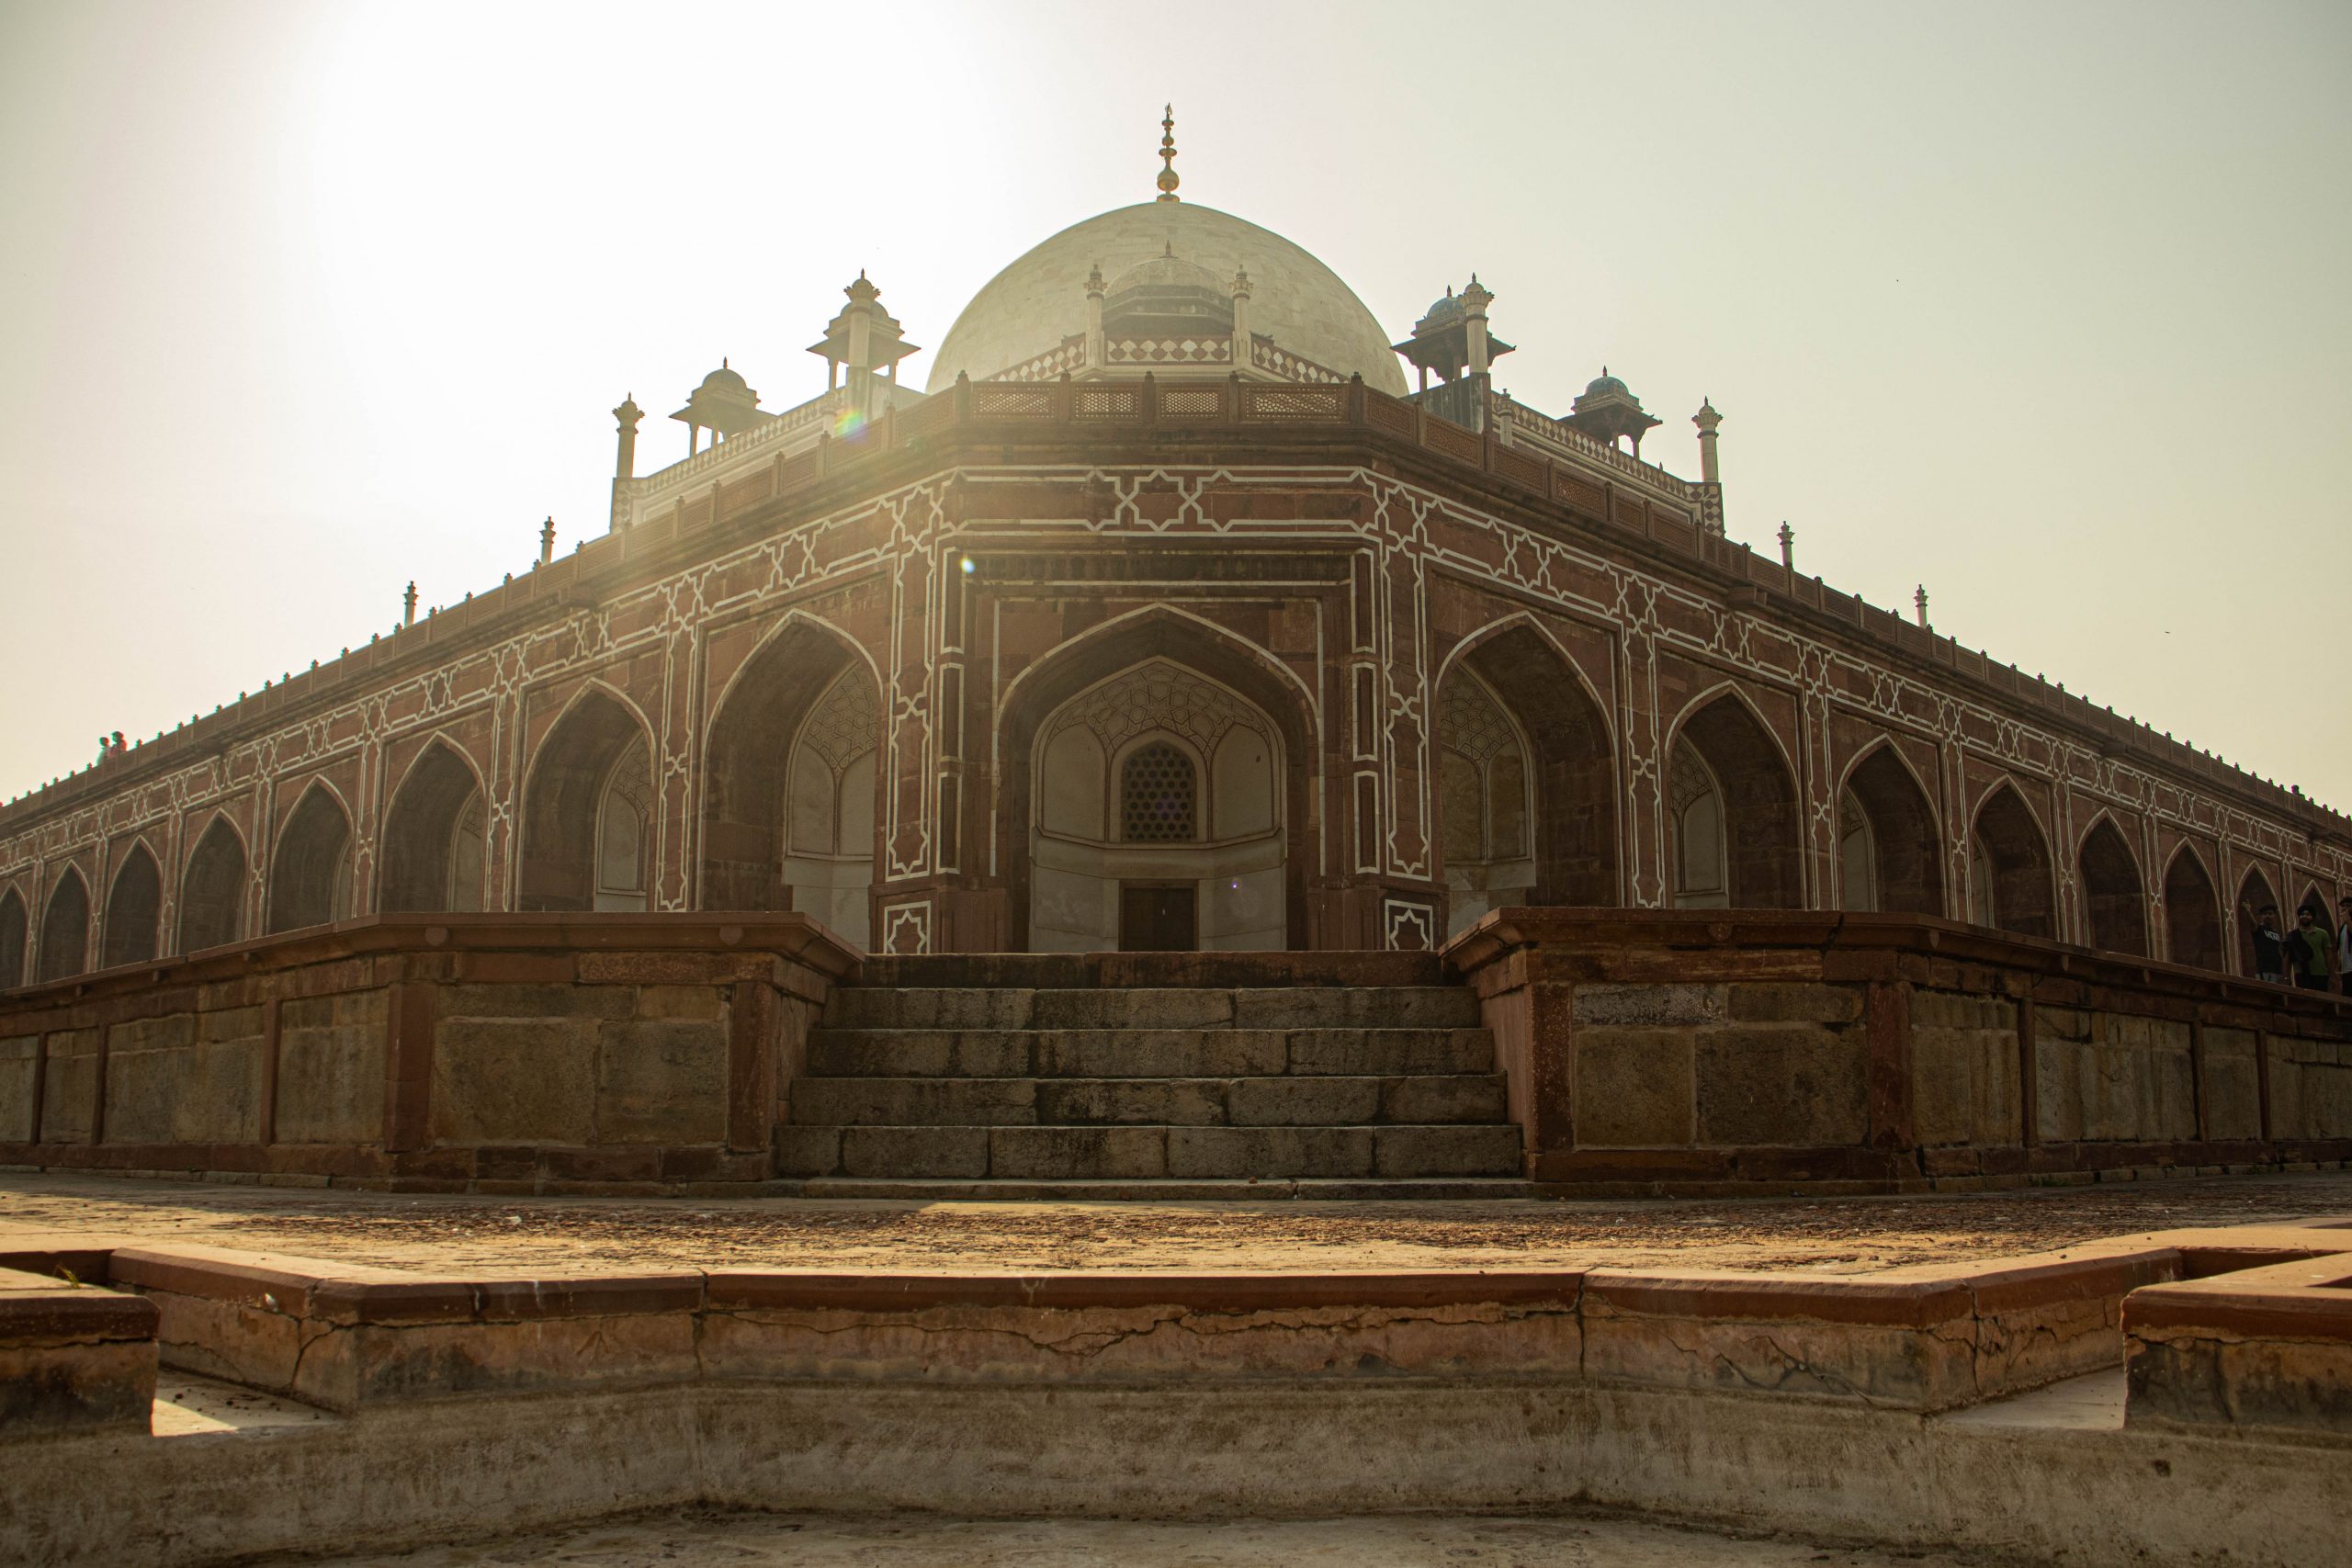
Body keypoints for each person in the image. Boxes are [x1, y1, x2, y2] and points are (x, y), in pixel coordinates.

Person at [2287, 906, 2332, 991]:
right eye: (2302, 914)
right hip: (2301, 973)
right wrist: (2287, 977)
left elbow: (2328, 956)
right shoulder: (2292, 935)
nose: (2304, 916)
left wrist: (2332, 975)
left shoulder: (2323, 934)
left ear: (2313, 917)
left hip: (2320, 973)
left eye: (2308, 914)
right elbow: (2288, 958)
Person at [2241, 900, 2287, 983]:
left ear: (2274, 916)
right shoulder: (2259, 929)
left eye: (2270, 914)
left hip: (2277, 970)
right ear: (2261, 916)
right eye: (2265, 914)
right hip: (2264, 969)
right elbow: (2252, 923)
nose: (2267, 916)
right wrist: (2248, 911)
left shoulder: (2276, 932)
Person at [2338, 897, 2352, 997]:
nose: (2345, 908)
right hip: (2346, 970)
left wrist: (2348, 920)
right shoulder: (2343, 927)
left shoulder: (2348, 923)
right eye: (2343, 906)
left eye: (2348, 906)